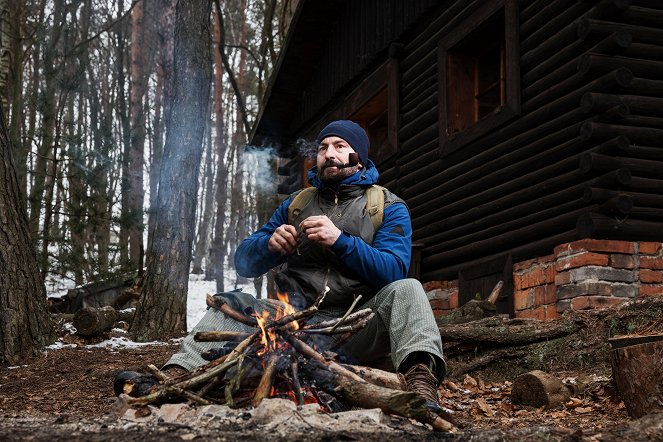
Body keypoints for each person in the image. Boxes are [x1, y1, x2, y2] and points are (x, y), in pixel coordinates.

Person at [117, 120, 446, 411]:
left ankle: (421, 385)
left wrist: (341, 240)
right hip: (293, 326)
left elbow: (393, 270)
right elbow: (243, 261)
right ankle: (174, 378)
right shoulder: (296, 204)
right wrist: (270, 245)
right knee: (233, 300)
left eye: (340, 146)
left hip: (356, 327)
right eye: (323, 147)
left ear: (358, 156)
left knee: (408, 288)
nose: (329, 152)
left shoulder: (386, 205)